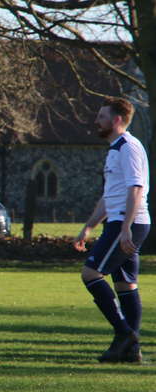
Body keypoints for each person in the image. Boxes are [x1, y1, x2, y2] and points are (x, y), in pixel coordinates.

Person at [73, 97, 150, 363]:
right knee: (125, 285)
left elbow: (136, 188)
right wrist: (89, 227)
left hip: (125, 222)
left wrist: (126, 227)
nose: (97, 121)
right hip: (119, 221)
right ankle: (132, 352)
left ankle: (124, 334)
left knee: (90, 273)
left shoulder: (128, 147)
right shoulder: (115, 149)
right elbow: (110, 196)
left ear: (117, 120)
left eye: (102, 116)